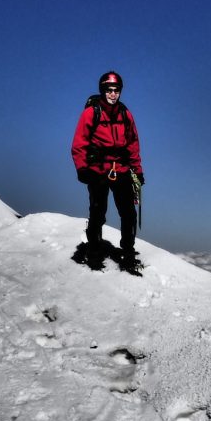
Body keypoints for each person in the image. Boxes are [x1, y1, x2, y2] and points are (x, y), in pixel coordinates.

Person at [71, 71, 145, 272]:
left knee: (128, 214)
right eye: (109, 90)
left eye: (116, 90)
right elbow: (79, 143)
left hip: (120, 169)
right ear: (103, 91)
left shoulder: (125, 114)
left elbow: (132, 145)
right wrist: (82, 168)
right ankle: (94, 255)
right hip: (97, 170)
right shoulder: (91, 112)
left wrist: (137, 171)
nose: (113, 94)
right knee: (98, 213)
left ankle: (128, 255)